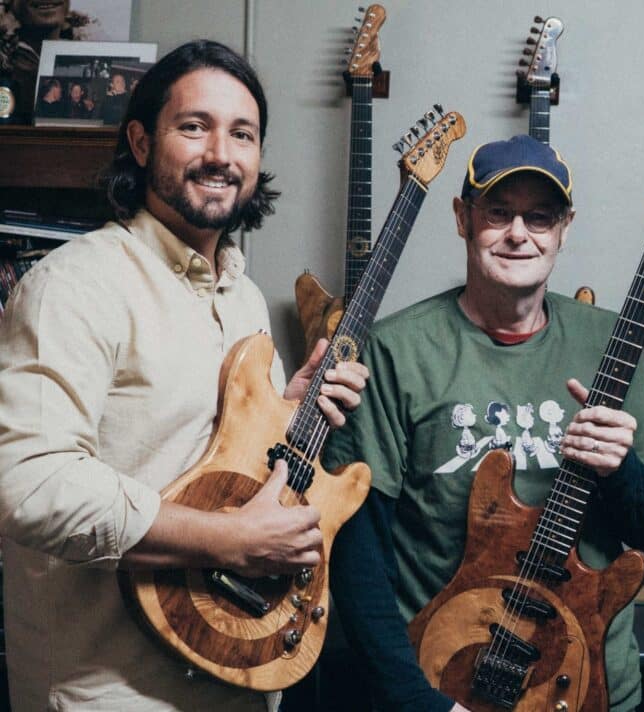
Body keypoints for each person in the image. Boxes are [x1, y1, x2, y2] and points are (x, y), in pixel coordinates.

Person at [0, 39, 369, 711]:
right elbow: (27, 482)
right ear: (141, 142)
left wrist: (284, 411)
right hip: (109, 694)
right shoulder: (77, 284)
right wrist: (230, 541)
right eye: (194, 127)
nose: (221, 155)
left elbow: (211, 460)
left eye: (243, 134)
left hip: (237, 679)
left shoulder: (243, 296)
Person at [322, 134, 644, 712]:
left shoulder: (612, 341)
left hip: (589, 688)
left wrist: (621, 468)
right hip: (447, 683)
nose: (519, 233)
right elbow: (359, 558)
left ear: (564, 227)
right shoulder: (393, 351)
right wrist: (418, 704)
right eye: (498, 213)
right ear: (463, 218)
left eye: (540, 217)